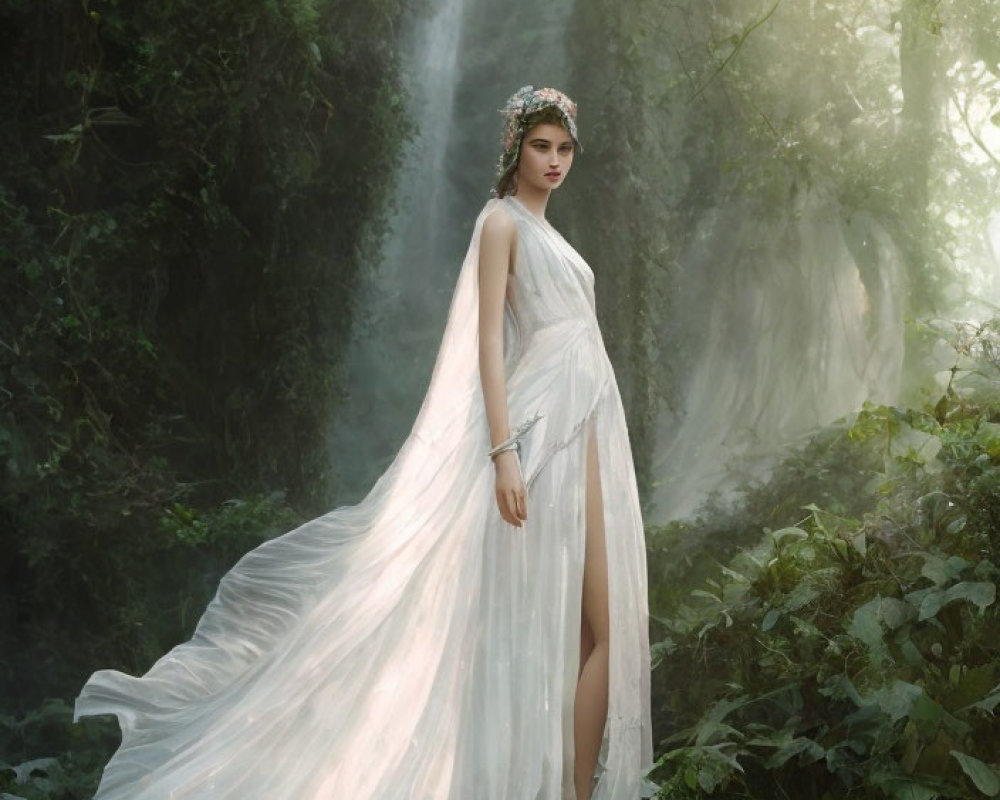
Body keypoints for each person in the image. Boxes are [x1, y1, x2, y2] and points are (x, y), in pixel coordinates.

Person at [75, 85, 653, 800]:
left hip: (589, 419)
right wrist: (503, 454)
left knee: (606, 629)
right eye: (541, 145)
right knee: (579, 623)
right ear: (515, 148)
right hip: (541, 428)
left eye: (564, 149)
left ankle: (575, 789)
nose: (555, 160)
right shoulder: (500, 222)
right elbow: (486, 348)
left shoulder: (555, 237)